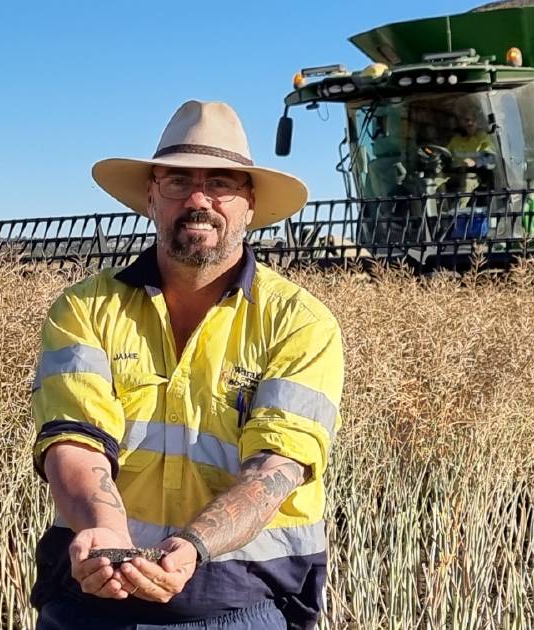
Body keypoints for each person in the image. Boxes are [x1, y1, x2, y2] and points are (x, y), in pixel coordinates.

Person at [29, 100, 343, 630]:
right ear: (152, 197)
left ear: (249, 203)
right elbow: (73, 439)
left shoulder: (300, 322)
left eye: (221, 182)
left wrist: (194, 546)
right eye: (178, 181)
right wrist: (108, 535)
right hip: (93, 594)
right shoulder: (84, 309)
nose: (198, 199)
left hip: (240, 601)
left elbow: (278, 465)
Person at [445, 106, 494, 170]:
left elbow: (492, 158)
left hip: (474, 175)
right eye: (466, 120)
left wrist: (475, 162)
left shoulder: (484, 138)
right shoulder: (456, 139)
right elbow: (446, 153)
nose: (469, 123)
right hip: (454, 173)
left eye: (473, 119)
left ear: (478, 122)